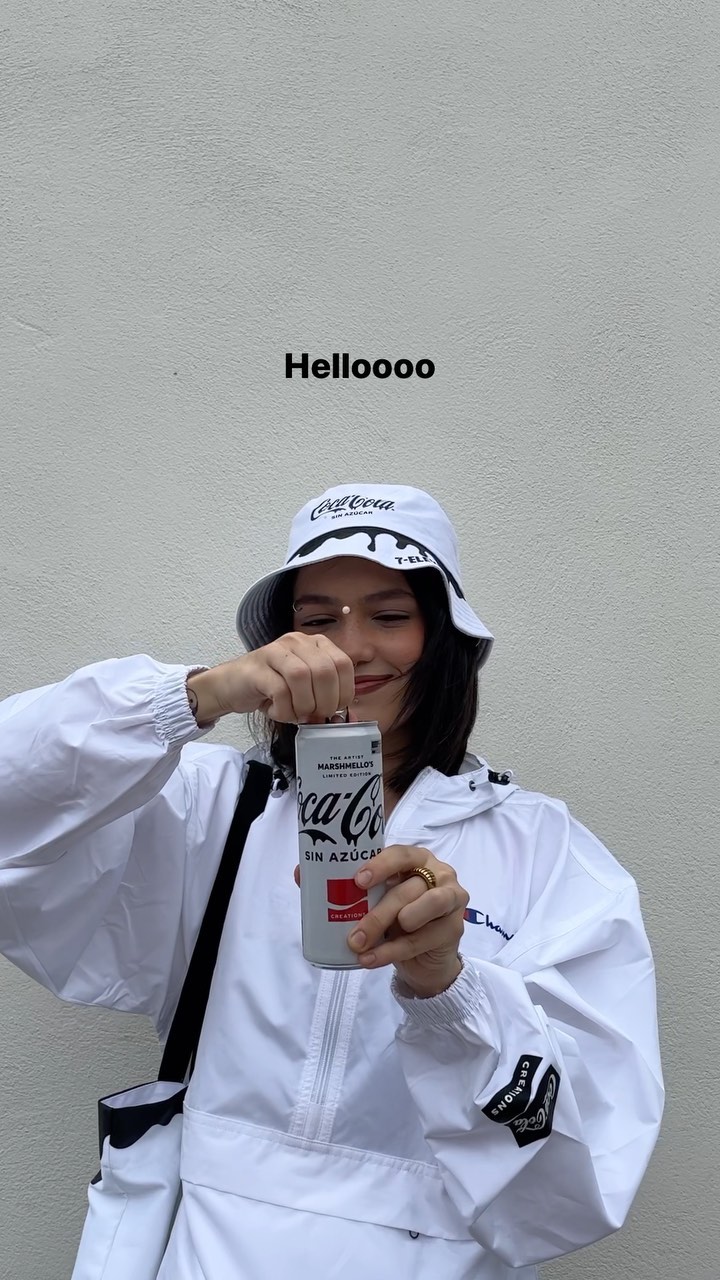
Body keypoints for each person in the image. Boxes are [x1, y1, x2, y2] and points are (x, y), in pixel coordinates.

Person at [0, 483, 663, 1280]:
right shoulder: (213, 805)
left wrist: (447, 989)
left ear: (444, 636)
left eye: (390, 616)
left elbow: (578, 1175)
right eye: (317, 620)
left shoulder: (545, 851)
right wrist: (191, 699)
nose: (349, 649)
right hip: (208, 1247)